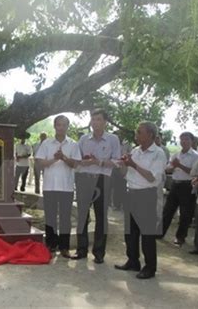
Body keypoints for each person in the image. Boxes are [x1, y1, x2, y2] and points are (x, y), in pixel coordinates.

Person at [115, 122, 167, 279]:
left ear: (150, 134)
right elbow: (125, 174)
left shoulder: (158, 153)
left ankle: (150, 267)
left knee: (147, 233)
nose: (136, 135)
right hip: (132, 192)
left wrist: (133, 164)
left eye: (139, 132)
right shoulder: (135, 151)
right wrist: (123, 165)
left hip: (147, 194)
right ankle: (133, 260)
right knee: (130, 232)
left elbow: (152, 177)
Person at [71, 109, 121, 263]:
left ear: (105, 122)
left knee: (101, 216)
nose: (95, 123)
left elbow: (117, 162)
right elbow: (76, 159)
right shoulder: (84, 139)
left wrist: (98, 162)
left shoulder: (113, 139)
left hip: (103, 179)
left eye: (98, 119)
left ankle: (99, 252)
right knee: (82, 215)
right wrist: (83, 162)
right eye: (93, 119)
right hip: (84, 178)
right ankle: (81, 250)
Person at [35, 115, 81, 258]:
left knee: (65, 218)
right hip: (49, 186)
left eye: (64, 125)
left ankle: (64, 247)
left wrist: (64, 158)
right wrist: (55, 158)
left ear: (68, 127)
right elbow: (40, 163)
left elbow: (76, 164)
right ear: (54, 126)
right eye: (58, 125)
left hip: (66, 187)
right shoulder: (47, 143)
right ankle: (50, 245)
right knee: (50, 217)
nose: (61, 127)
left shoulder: (73, 144)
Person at [161, 131, 198, 245]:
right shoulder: (176, 154)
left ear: (191, 141)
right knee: (168, 210)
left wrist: (179, 165)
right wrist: (172, 167)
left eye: (186, 139)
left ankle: (180, 237)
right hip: (175, 183)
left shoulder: (196, 156)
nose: (184, 142)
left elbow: (194, 173)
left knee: (185, 213)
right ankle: (160, 232)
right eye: (182, 139)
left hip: (187, 185)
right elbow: (168, 169)